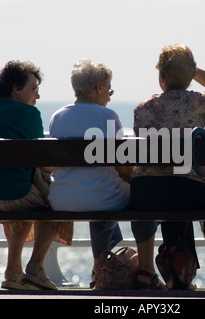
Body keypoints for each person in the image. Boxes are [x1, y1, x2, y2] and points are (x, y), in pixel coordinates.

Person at [0, 60, 73, 290]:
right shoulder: (28, 114)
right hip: (13, 196)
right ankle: (35, 267)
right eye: (34, 88)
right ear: (16, 88)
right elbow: (45, 163)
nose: (38, 96)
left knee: (17, 190)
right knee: (60, 200)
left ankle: (13, 271)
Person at [131, 44, 205, 289]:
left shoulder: (143, 108)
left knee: (172, 188)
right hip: (184, 191)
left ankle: (177, 263)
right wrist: (192, 71)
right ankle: (197, 262)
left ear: (161, 77)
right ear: (190, 76)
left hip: (144, 194)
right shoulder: (199, 102)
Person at [48, 59, 130, 286]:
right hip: (102, 199)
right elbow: (123, 165)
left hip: (62, 200)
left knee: (102, 188)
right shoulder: (108, 116)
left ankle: (100, 265)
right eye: (109, 89)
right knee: (115, 191)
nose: (110, 96)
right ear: (99, 88)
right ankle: (104, 266)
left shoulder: (58, 116)